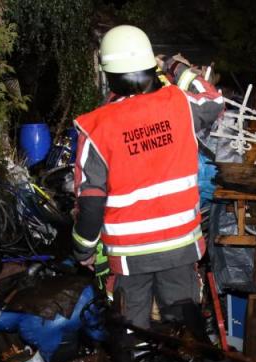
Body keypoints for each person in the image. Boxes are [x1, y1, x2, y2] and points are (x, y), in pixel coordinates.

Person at [71, 25, 223, 330]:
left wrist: (83, 250)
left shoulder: (97, 127)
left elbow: (90, 204)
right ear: (151, 65)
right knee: (183, 332)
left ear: (108, 74)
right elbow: (213, 99)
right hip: (180, 246)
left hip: (129, 257)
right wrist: (175, 67)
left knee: (132, 332)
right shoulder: (179, 105)